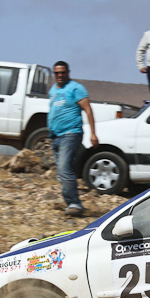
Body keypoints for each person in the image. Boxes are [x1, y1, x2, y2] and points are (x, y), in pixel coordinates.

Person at [48, 61, 99, 216]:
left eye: (63, 72)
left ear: (68, 72)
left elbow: (88, 110)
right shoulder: (53, 90)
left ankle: (74, 204)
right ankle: (69, 201)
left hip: (70, 134)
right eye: (57, 73)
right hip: (55, 136)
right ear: (54, 73)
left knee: (64, 168)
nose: (60, 75)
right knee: (62, 171)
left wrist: (93, 133)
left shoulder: (76, 88)